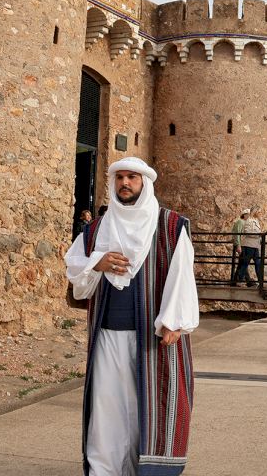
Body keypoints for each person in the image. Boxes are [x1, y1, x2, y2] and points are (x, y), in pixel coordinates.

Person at [65, 157, 198, 476]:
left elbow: (182, 274)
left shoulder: (170, 226)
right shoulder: (97, 229)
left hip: (151, 336)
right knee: (107, 406)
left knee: (147, 406)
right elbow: (75, 271)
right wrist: (97, 263)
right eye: (120, 177)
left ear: (144, 183)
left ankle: (146, 468)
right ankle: (105, 469)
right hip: (107, 334)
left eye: (132, 178)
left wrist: (174, 321)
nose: (125, 183)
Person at [234, 209, 263, 287]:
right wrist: (258, 234)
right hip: (249, 245)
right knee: (245, 263)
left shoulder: (256, 221)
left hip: (255, 246)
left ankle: (261, 282)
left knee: (257, 263)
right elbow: (247, 232)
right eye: (259, 212)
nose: (260, 213)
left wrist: (260, 236)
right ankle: (239, 279)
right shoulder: (248, 221)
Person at [229, 209, 248, 287]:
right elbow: (237, 234)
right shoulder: (240, 222)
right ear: (244, 215)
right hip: (240, 245)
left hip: (243, 244)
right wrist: (238, 245)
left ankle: (235, 281)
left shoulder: (244, 222)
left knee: (242, 262)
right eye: (248, 214)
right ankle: (248, 281)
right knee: (243, 262)